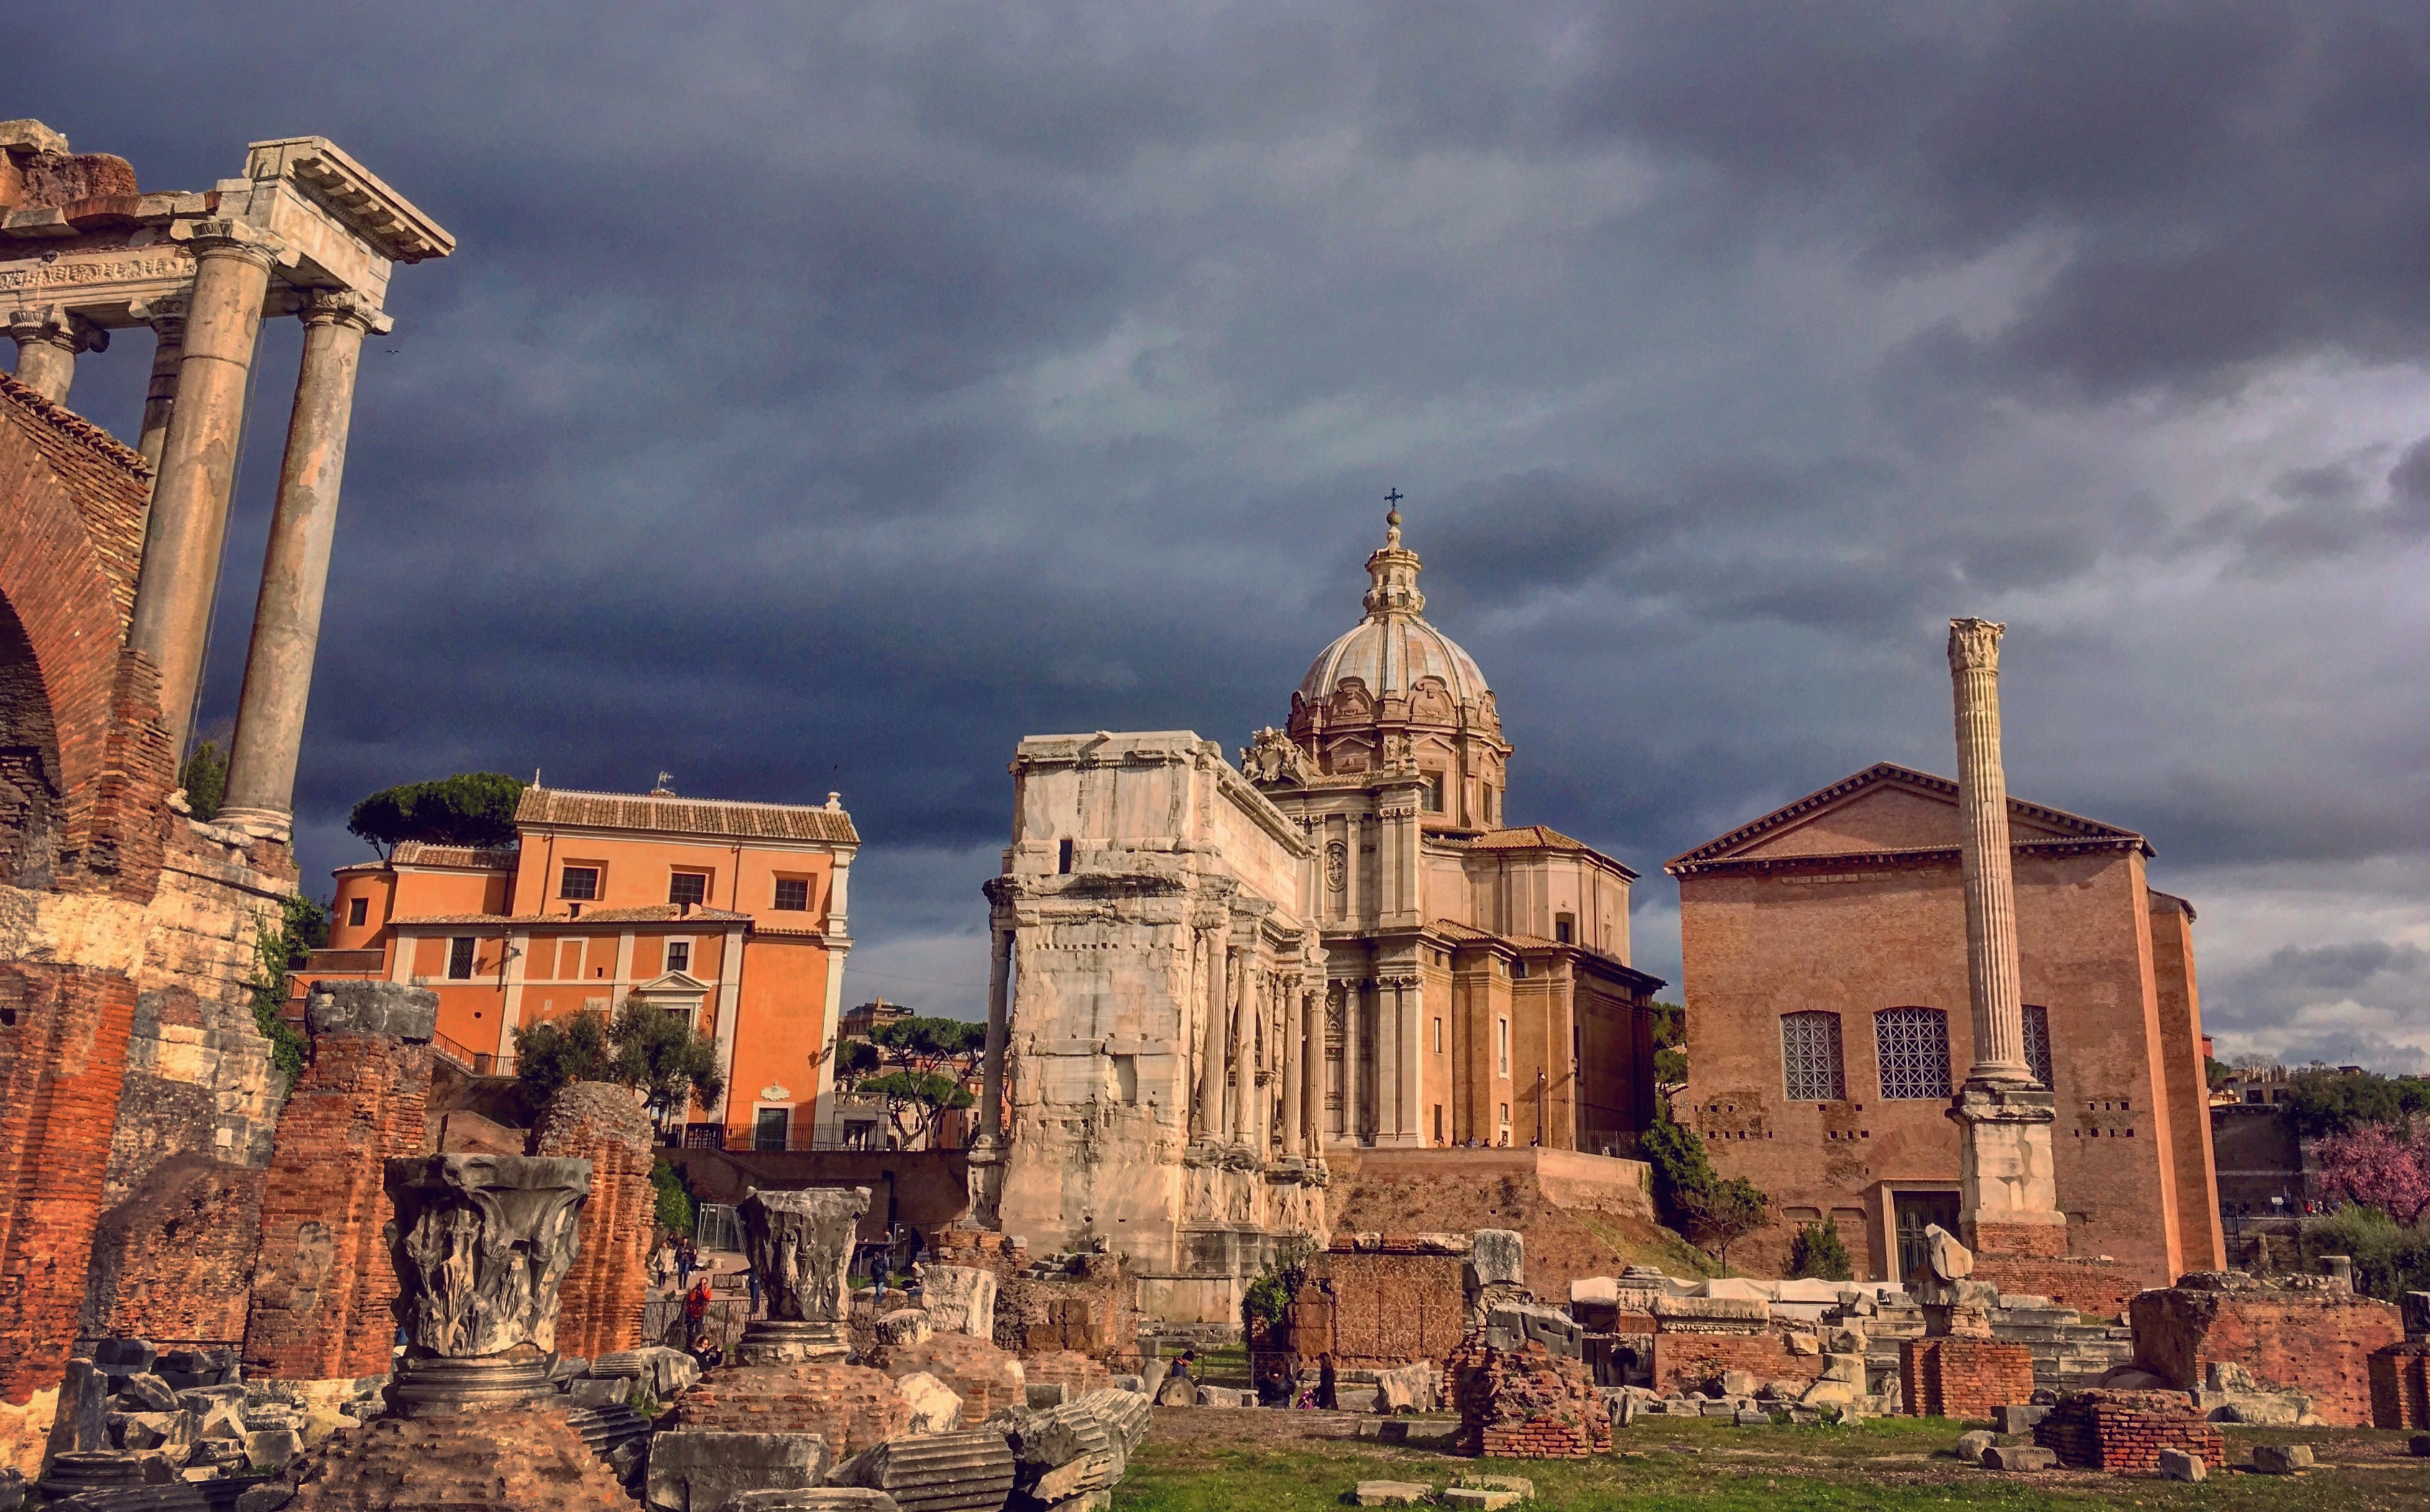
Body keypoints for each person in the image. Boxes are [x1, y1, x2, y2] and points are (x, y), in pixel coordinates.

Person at [684, 1276, 712, 1349]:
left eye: (704, 1283)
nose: (702, 1285)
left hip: (700, 1312)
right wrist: (695, 1290)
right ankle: (689, 1344)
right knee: (689, 1328)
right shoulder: (696, 1289)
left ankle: (698, 1344)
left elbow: (707, 1298)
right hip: (692, 1311)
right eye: (701, 1283)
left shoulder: (708, 1290)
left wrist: (703, 1292)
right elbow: (692, 1298)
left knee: (699, 1329)